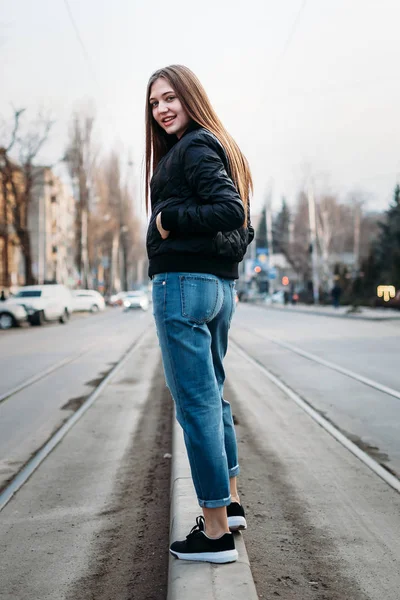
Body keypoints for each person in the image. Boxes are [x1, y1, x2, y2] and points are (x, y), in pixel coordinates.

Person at [145, 65, 254, 564]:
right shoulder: (209, 145)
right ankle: (229, 504)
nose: (163, 109)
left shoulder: (193, 146)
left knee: (197, 407)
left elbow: (229, 210)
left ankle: (213, 534)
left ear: (190, 97)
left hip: (184, 287)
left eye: (170, 98)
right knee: (213, 396)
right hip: (214, 287)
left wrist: (167, 219)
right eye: (154, 103)